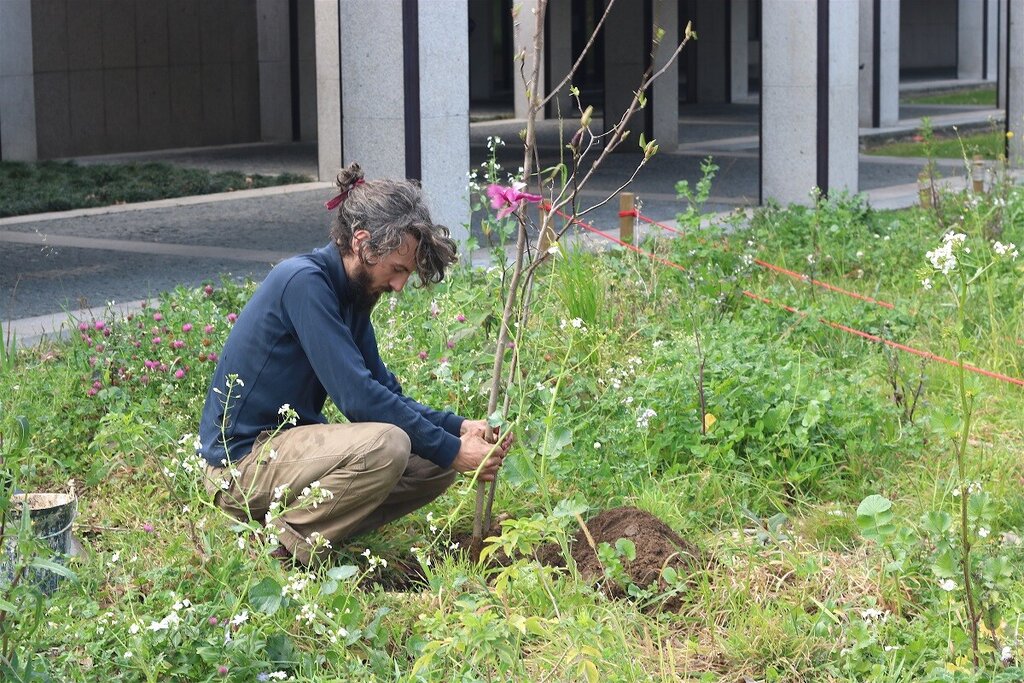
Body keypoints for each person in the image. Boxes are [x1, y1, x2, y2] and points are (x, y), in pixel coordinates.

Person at [197, 162, 511, 567]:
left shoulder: (353, 297)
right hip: (240, 469)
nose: (399, 285)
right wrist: (453, 449)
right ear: (363, 242)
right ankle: (285, 548)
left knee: (434, 463)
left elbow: (382, 391)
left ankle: (317, 530)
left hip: (284, 459)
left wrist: (457, 429)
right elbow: (358, 398)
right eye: (397, 269)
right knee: (392, 445)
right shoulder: (304, 283)